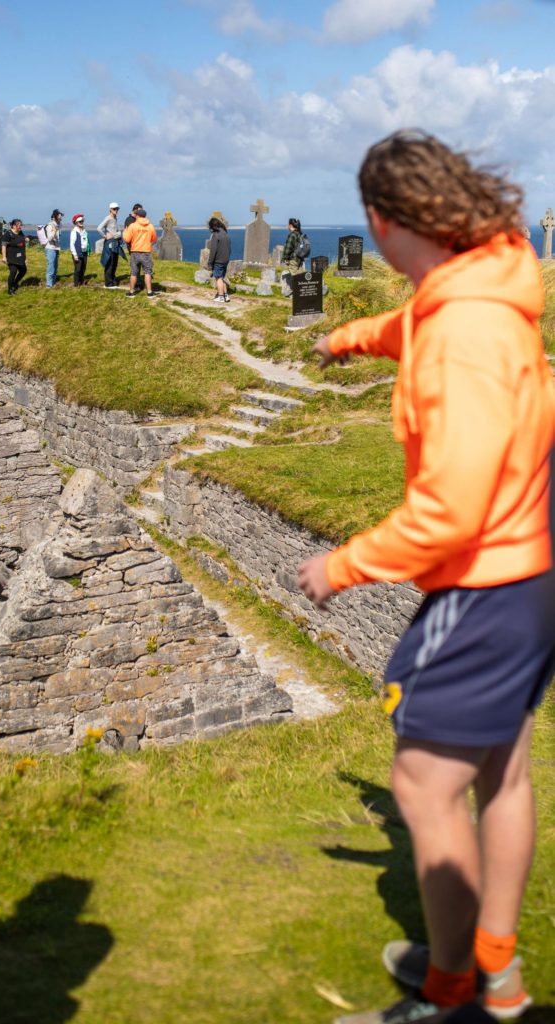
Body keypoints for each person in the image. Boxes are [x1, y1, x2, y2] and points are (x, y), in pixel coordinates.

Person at [298, 129, 555, 1024]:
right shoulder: (478, 287)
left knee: (421, 782)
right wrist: (348, 339)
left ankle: (456, 999)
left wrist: (341, 565)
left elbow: (448, 510)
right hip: (530, 570)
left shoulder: (464, 335)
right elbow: (412, 325)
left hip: (483, 583)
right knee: (500, 773)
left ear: (381, 218)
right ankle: (496, 972)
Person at [122, 207, 157, 298]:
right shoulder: (150, 226)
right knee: (147, 272)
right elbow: (154, 239)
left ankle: (131, 292)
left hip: (135, 252)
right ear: (145, 216)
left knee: (134, 272)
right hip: (146, 252)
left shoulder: (132, 226)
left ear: (137, 216)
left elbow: (127, 239)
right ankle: (149, 292)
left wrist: (125, 231)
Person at [98, 202, 122, 288]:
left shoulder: (115, 218)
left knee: (115, 262)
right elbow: (99, 228)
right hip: (110, 244)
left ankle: (112, 281)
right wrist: (105, 236)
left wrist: (118, 234)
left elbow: (116, 230)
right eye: (114, 209)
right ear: (110, 209)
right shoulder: (108, 218)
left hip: (115, 243)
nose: (116, 210)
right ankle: (108, 284)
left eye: (117, 209)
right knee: (110, 263)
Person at [1, 218, 28, 295]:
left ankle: (14, 283)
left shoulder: (20, 232)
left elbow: (23, 238)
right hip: (11, 257)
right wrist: (4, 257)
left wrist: (27, 238)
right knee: (13, 272)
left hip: (20, 257)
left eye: (21, 225)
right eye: (19, 225)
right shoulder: (8, 234)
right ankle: (10, 290)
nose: (20, 227)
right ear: (13, 226)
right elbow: (3, 245)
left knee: (23, 270)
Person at [207, 216, 231, 303]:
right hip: (226, 260)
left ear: (213, 226)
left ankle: (220, 297)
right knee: (222, 277)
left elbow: (213, 250)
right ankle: (225, 296)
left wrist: (210, 262)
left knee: (218, 278)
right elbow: (229, 249)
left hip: (218, 260)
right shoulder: (226, 234)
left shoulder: (216, 235)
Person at [124, 203, 144, 290]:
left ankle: (138, 283)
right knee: (135, 266)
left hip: (138, 246)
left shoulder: (135, 220)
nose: (141, 213)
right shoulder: (129, 220)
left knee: (137, 265)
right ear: (135, 210)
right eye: (140, 211)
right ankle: (136, 285)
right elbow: (129, 236)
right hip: (133, 247)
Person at [44, 208, 63, 288]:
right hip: (50, 248)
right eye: (60, 216)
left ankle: (53, 282)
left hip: (56, 248)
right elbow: (49, 238)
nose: (61, 218)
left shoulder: (59, 225)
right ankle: (49, 285)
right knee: (51, 266)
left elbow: (59, 236)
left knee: (55, 266)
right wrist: (55, 231)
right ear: (55, 217)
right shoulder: (50, 225)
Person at [69, 214, 89, 287]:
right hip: (77, 253)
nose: (82, 222)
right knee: (78, 269)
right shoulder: (74, 232)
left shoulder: (84, 230)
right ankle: (76, 284)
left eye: (82, 221)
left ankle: (81, 282)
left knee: (83, 268)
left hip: (84, 252)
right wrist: (75, 255)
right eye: (80, 221)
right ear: (76, 223)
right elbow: (72, 244)